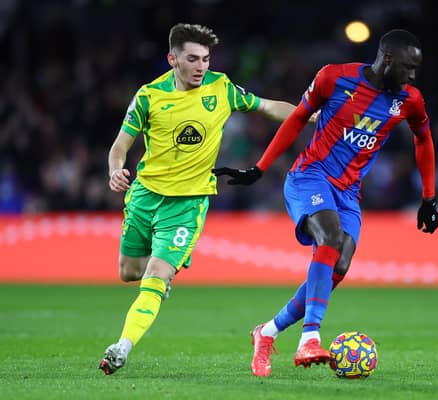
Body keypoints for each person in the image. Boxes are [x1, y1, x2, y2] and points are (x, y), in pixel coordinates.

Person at [213, 29, 438, 377]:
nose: (412, 76)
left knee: (341, 264)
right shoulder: (335, 77)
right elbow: (296, 120)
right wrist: (260, 167)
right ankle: (310, 338)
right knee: (331, 239)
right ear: (388, 59)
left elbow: (423, 140)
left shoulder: (410, 99)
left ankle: (268, 331)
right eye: (409, 67)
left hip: (349, 193)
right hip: (310, 176)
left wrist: (429, 197)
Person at [98, 23, 316, 375]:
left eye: (206, 58)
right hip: (144, 196)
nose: (201, 66)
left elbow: (265, 106)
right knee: (129, 272)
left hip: (188, 203)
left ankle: (121, 346)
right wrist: (115, 170)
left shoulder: (221, 87)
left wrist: (308, 115)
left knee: (155, 275)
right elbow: (119, 146)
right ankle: (158, 282)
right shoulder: (149, 96)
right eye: (193, 59)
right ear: (173, 60)